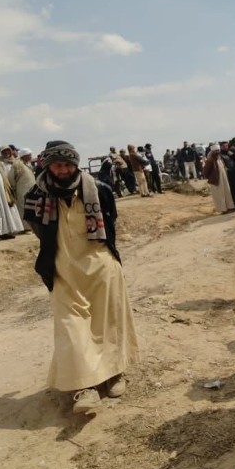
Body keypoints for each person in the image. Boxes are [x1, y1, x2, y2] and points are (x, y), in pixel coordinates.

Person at [23, 140, 139, 415]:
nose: (63, 170)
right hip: (64, 270)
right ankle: (85, 388)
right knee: (72, 329)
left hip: (101, 267)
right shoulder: (35, 195)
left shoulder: (100, 190)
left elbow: (110, 223)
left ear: (76, 164)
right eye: (57, 165)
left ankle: (114, 374)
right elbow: (38, 230)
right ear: (48, 165)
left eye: (68, 164)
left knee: (107, 323)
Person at [202, 144, 235, 213]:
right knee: (219, 194)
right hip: (216, 180)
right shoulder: (210, 159)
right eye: (216, 151)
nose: (218, 152)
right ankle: (223, 209)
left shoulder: (220, 158)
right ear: (213, 151)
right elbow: (205, 171)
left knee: (226, 192)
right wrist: (211, 178)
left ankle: (230, 207)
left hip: (223, 178)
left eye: (218, 150)